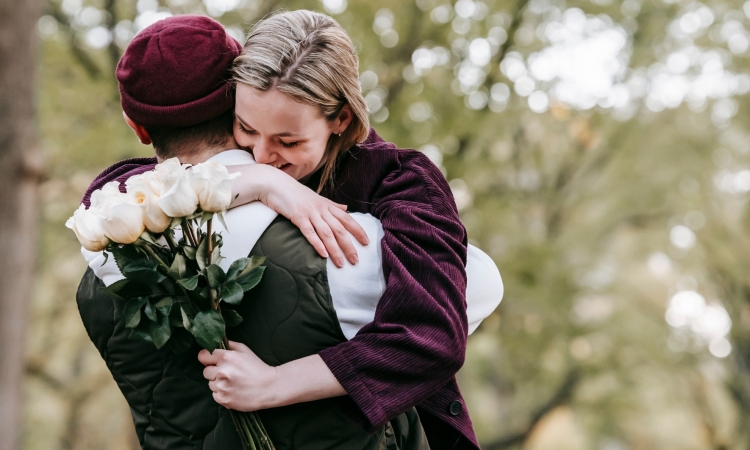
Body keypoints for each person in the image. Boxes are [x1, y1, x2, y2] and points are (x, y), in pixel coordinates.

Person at [76, 14, 501, 450]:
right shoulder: (242, 175)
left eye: (289, 142)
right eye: (246, 129)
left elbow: (437, 330)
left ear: (340, 119)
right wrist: (266, 183)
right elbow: (103, 206)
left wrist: (275, 384)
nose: (261, 154)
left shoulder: (400, 185)